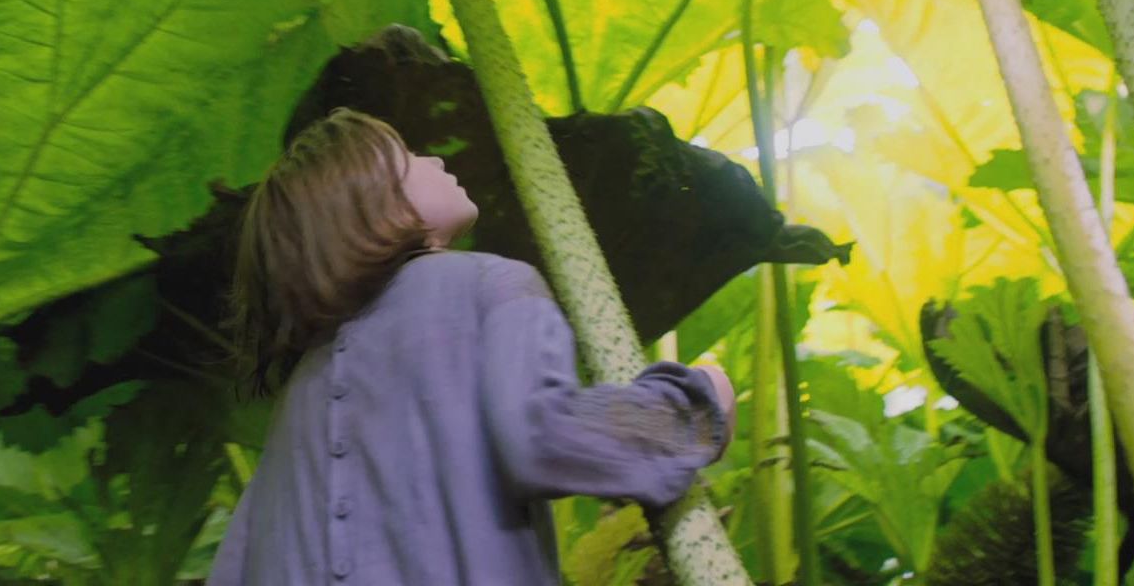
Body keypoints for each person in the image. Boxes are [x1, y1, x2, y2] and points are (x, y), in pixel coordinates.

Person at [208, 108, 737, 586]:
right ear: (370, 200)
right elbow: (546, 435)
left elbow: (235, 566)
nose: (433, 158)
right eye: (408, 158)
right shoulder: (488, 284)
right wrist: (691, 409)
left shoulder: (297, 397)